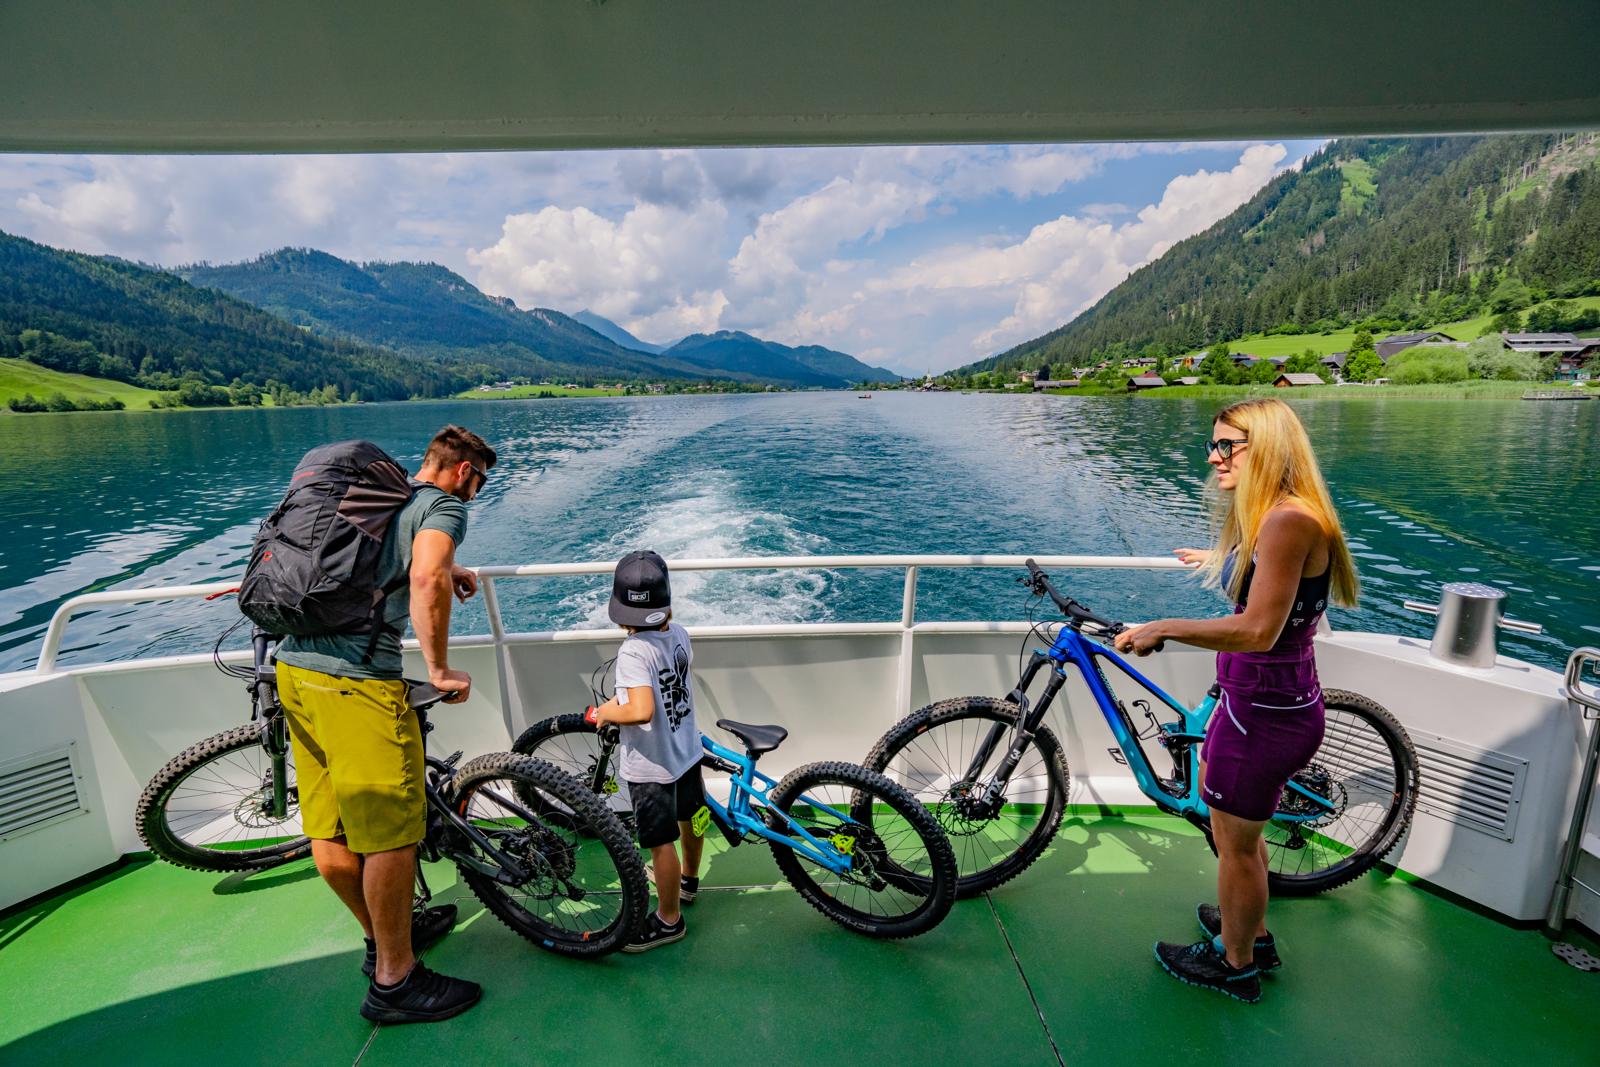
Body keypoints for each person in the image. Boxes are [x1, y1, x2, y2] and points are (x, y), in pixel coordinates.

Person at [1112, 397, 1358, 1004]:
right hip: (1259, 705)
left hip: (1264, 716)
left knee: (1238, 846)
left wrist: (1164, 626)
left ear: (1269, 447)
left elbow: (1258, 631)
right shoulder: (1277, 520)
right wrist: (1220, 559)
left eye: (1229, 446)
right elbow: (1277, 582)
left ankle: (1236, 964)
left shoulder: (1287, 521)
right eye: (1213, 445)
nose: (1215, 457)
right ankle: (1252, 932)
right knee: (1231, 839)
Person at [274, 425, 496, 1023]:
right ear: (462, 473)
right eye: (478, 483)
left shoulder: (383, 494)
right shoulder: (444, 505)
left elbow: (385, 567)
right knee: (393, 833)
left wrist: (453, 571)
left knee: (333, 825)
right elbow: (424, 575)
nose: (474, 494)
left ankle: (384, 938)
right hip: (355, 683)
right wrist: (441, 668)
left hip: (294, 671)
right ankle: (396, 982)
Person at [590, 549, 705, 952]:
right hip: (686, 750)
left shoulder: (633, 652)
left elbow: (640, 711)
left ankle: (669, 919)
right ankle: (690, 880)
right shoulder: (680, 634)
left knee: (660, 843)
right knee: (693, 817)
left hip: (653, 764)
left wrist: (607, 710)